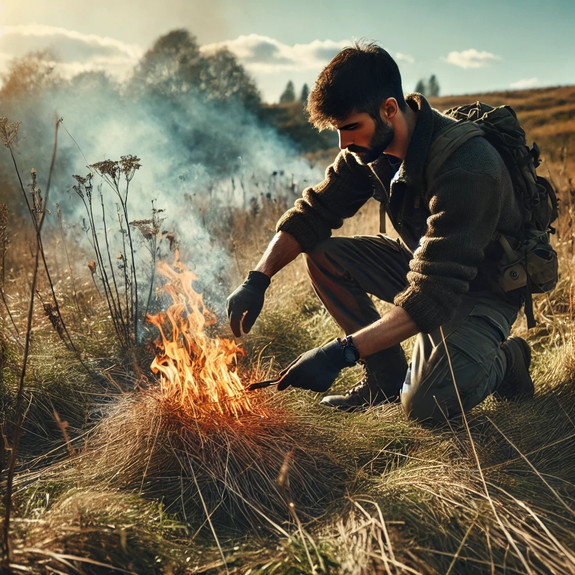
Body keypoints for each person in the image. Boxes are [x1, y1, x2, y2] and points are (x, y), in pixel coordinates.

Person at [226, 42, 534, 423]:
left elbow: (431, 296)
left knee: (426, 406)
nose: (343, 144)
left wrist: (341, 352)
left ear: (389, 109)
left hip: (483, 289)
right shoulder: (368, 152)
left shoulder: (468, 166)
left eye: (351, 127)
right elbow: (313, 213)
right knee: (322, 252)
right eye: (338, 131)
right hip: (426, 267)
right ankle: (385, 379)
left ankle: (508, 358)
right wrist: (258, 279)